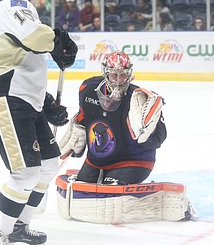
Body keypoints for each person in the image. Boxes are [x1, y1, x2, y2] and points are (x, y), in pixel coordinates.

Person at [0, 0, 78, 245]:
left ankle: (19, 226)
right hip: (5, 99)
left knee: (49, 164)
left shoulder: (5, 12)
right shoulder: (14, 4)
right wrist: (58, 38)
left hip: (22, 99)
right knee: (26, 172)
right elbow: (35, 38)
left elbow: (16, 60)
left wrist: (45, 100)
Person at [58, 51, 167, 187]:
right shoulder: (88, 89)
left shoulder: (140, 99)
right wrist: (77, 132)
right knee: (80, 192)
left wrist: (149, 132)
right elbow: (83, 117)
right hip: (96, 162)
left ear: (129, 74)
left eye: (122, 75)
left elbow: (159, 138)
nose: (118, 80)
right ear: (105, 72)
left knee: (108, 195)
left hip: (133, 161)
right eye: (114, 75)